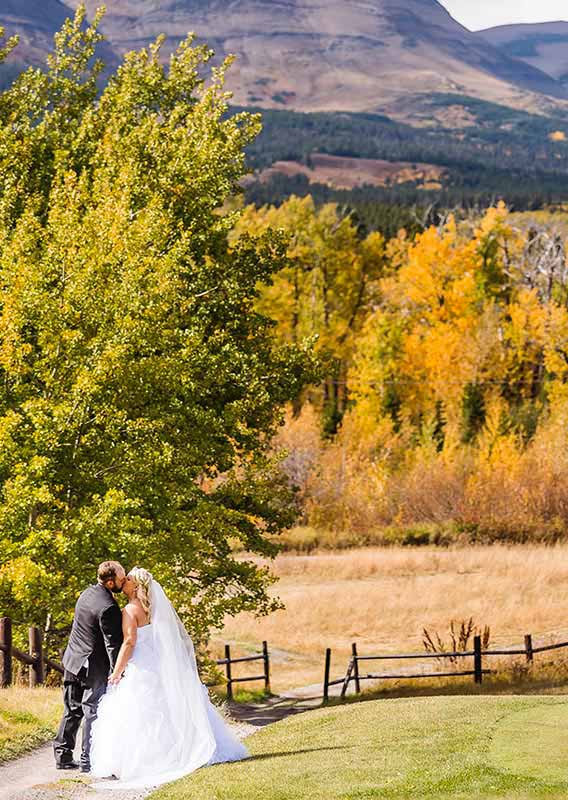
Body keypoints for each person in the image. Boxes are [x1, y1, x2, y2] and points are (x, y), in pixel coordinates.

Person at [90, 567, 248, 790]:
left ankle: (155, 760)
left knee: (143, 715)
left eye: (127, 580)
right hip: (162, 666)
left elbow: (129, 642)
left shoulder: (129, 610)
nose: (123, 582)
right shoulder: (155, 608)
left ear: (135, 586)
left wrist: (116, 671)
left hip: (144, 668)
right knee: (172, 709)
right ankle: (192, 749)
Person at [53, 561, 125, 771]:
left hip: (73, 660)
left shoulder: (86, 594)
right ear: (111, 582)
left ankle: (63, 756)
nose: (124, 581)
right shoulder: (109, 607)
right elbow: (113, 645)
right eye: (121, 578)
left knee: (72, 709)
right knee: (92, 710)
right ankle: (87, 760)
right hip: (93, 665)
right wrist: (118, 671)